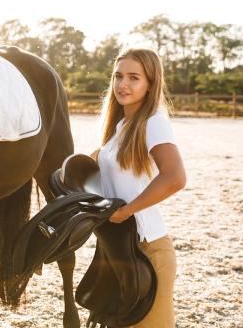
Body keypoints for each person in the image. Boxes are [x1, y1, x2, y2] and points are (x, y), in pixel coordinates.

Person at [91, 48, 186, 327]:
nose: (123, 84)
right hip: (118, 249)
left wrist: (127, 211)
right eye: (118, 76)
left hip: (147, 250)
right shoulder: (120, 126)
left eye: (134, 78)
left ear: (150, 84)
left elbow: (175, 177)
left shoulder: (153, 122)